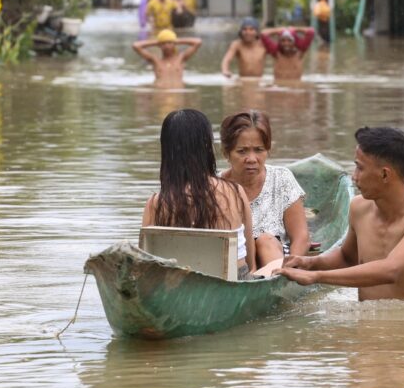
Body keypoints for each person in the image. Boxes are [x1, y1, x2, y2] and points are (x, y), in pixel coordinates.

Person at [278, 127, 404, 301]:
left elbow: (391, 270)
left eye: (360, 168)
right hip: (366, 321)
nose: (354, 177)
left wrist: (316, 276)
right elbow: (347, 258)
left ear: (385, 174)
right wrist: (308, 262)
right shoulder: (359, 207)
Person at [143, 109, 257, 278]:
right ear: (207, 147)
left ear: (167, 150)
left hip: (175, 285)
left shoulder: (156, 203)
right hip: (233, 279)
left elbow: (146, 264)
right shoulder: (235, 192)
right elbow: (250, 261)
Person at [219, 110, 310, 270]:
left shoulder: (281, 179)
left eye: (259, 150)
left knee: (265, 240)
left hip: (277, 258)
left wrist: (292, 267)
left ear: (268, 150)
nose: (252, 159)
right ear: (226, 153)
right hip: (234, 262)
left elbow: (301, 236)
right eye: (242, 151)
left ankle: (272, 282)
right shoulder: (216, 187)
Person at [132, 29, 201, 88]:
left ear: (175, 44)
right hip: (160, 93)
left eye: (169, 43)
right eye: (163, 44)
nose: (167, 46)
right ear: (159, 45)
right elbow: (136, 46)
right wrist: (157, 42)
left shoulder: (181, 59)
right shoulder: (155, 61)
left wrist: (175, 40)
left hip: (177, 93)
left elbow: (197, 42)